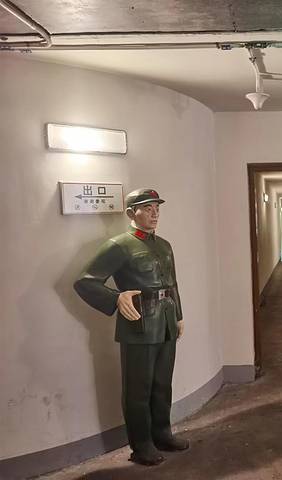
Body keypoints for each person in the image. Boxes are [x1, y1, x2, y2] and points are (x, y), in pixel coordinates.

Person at [74, 188, 189, 466]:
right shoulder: (119, 245)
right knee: (138, 389)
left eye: (157, 208)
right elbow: (85, 282)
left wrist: (179, 315)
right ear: (130, 213)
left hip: (166, 322)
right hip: (139, 324)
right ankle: (141, 446)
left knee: (162, 384)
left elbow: (172, 283)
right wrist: (116, 298)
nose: (155, 213)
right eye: (147, 208)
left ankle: (162, 434)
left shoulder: (164, 245)